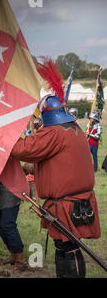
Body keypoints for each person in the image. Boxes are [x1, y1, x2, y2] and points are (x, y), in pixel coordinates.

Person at [10, 94, 101, 278]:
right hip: (76, 200)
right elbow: (61, 163)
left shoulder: (54, 132)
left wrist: (5, 133)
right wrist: (33, 168)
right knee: (63, 245)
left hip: (67, 203)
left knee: (69, 247)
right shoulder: (73, 128)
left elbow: (23, 149)